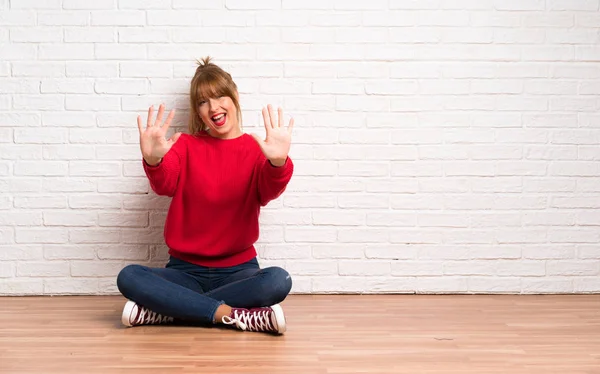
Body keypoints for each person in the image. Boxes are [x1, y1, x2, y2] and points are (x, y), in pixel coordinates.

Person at [116, 57, 295, 335]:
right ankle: (233, 315)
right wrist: (153, 161)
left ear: (234, 97)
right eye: (202, 101)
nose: (213, 107)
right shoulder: (185, 145)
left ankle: (170, 311)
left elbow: (269, 190)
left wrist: (278, 163)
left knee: (277, 281)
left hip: (240, 272)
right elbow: (164, 184)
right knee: (128, 277)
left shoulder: (257, 148)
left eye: (219, 96)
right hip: (184, 272)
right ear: (197, 111)